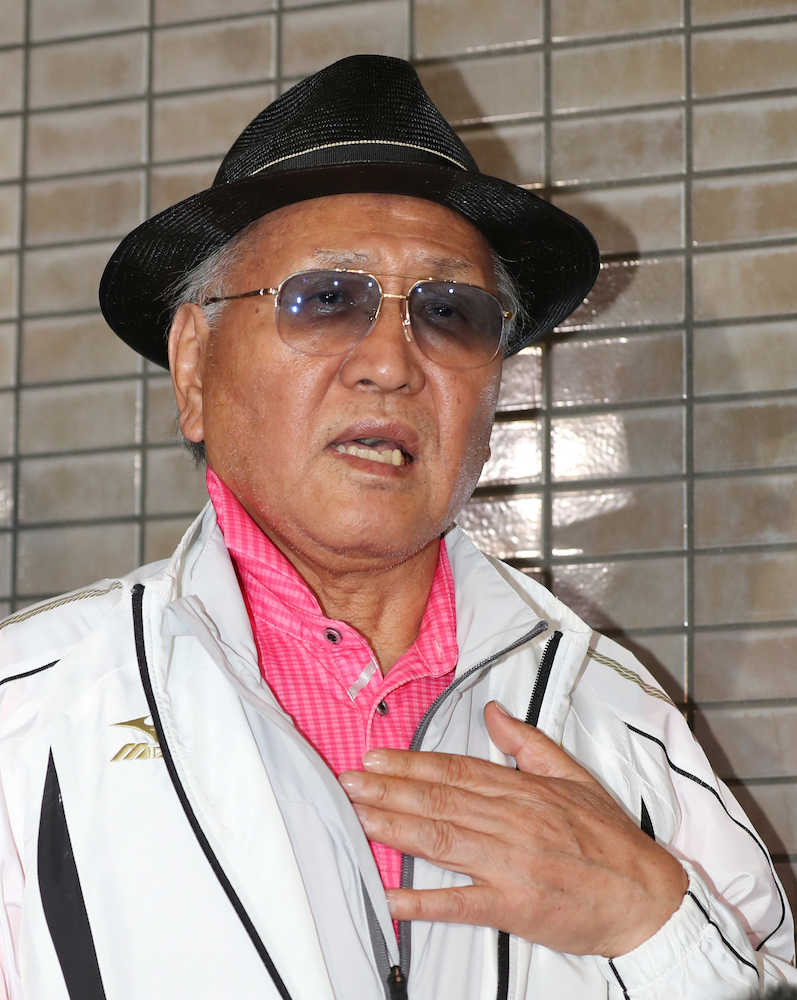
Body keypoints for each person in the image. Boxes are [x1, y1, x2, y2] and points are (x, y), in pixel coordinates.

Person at [0, 54, 794, 1000]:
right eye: (325, 298)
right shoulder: (29, 713)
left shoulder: (617, 719)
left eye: (449, 312)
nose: (391, 363)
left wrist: (652, 924)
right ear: (194, 366)